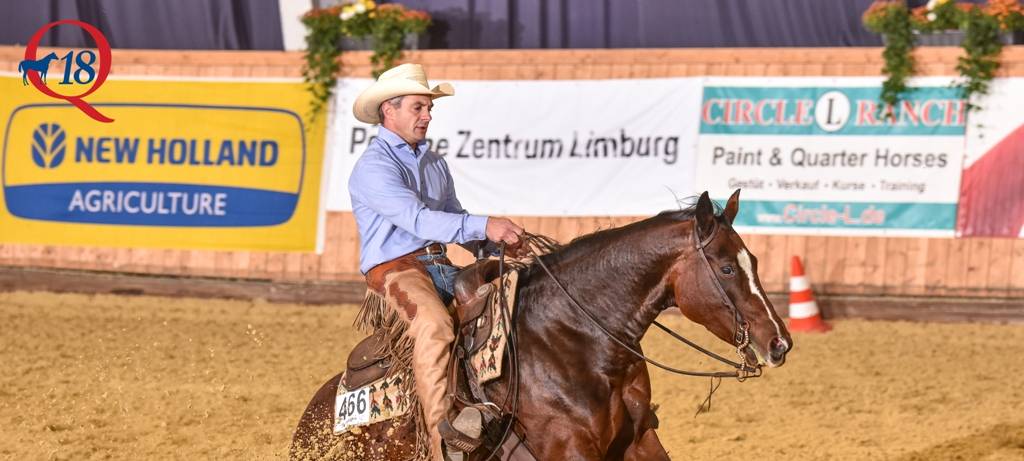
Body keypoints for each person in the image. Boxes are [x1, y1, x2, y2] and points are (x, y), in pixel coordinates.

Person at [348, 63, 524, 460]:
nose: (427, 116)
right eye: (418, 107)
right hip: (394, 270)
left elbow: (452, 216)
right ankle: (441, 442)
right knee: (434, 325)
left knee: (517, 304)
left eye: (429, 108)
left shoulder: (433, 162)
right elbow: (418, 220)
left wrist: (490, 247)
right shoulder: (374, 167)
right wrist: (486, 224)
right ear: (388, 111)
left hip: (437, 265)